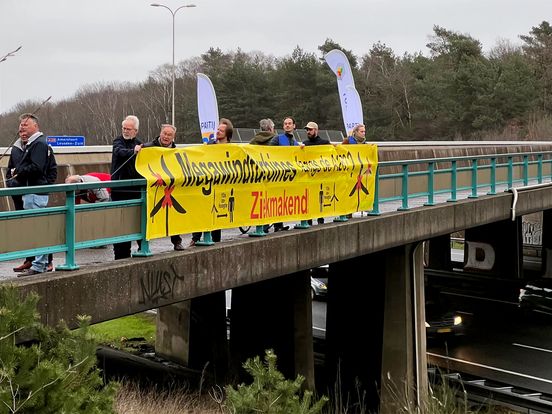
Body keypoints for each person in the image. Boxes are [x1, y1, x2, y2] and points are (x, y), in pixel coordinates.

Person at [9, 114, 54, 276]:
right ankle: (37, 263)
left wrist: (17, 171)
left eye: (25, 125)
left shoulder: (39, 144)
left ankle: (39, 265)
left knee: (38, 229)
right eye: (21, 125)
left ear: (35, 126)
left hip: (35, 192)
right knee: (34, 229)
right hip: (30, 191)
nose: (22, 127)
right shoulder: (30, 145)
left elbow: (37, 167)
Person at [190, 118, 233, 246]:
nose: (218, 132)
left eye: (221, 130)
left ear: (227, 133)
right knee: (202, 209)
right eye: (218, 129)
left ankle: (215, 241)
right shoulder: (209, 145)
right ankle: (196, 237)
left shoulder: (232, 148)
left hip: (223, 186)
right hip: (208, 184)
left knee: (217, 212)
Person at [143, 124, 184, 251]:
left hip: (170, 188)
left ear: (173, 137)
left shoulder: (177, 152)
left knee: (173, 215)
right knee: (148, 215)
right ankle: (143, 246)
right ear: (160, 133)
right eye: (164, 134)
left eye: (169, 135)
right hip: (153, 188)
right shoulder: (147, 147)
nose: (166, 137)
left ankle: (177, 241)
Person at [110, 115, 143, 260]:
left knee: (136, 222)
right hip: (119, 190)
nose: (125, 131)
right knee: (120, 225)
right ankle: (120, 255)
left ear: (135, 131)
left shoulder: (140, 144)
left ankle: (142, 248)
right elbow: (120, 152)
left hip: (135, 190)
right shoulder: (118, 141)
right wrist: (133, 151)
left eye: (128, 129)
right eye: (124, 128)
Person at [303, 121, 331, 225]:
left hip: (320, 177)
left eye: (310, 130)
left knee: (320, 200)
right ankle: (308, 222)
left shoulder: (324, 143)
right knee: (309, 200)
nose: (308, 132)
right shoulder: (305, 144)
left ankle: (320, 221)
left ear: (316, 130)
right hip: (309, 177)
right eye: (307, 130)